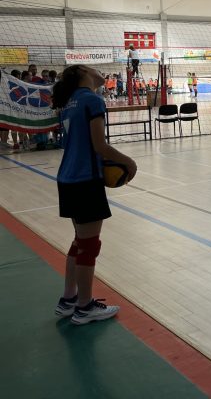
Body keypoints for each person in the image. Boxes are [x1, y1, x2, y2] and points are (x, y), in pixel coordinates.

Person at [51, 65, 137, 324]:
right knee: (89, 246)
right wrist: (129, 162)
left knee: (80, 242)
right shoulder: (92, 99)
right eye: (94, 69)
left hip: (67, 177)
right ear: (83, 73)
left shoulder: (70, 102)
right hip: (85, 179)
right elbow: (99, 145)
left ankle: (69, 299)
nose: (100, 72)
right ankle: (85, 307)